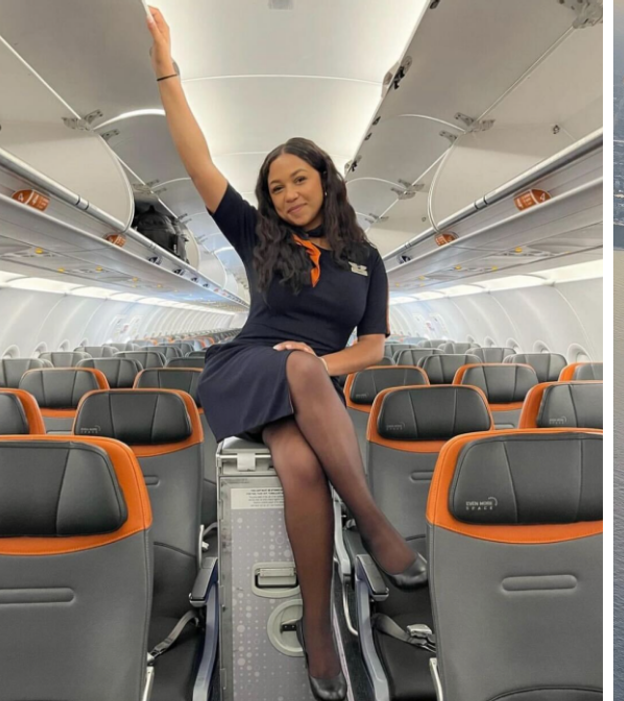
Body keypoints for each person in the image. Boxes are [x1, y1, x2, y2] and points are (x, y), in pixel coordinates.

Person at [146, 8, 423, 700]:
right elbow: (197, 159)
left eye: (298, 179)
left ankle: (320, 634)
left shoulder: (365, 259)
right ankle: (373, 520)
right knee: (296, 361)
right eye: (275, 186)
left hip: (310, 387)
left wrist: (318, 368)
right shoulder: (253, 235)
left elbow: (373, 346)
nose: (287, 193)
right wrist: (166, 70)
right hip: (247, 369)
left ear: (325, 180)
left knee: (301, 462)